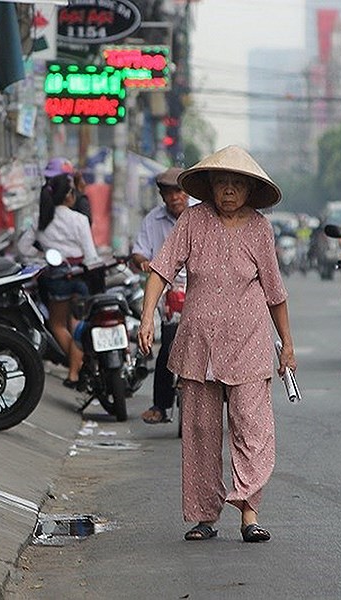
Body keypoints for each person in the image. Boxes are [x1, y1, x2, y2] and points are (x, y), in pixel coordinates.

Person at [137, 145, 296, 543]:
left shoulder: (260, 228)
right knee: (201, 430)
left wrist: (287, 346)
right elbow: (161, 270)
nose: (228, 190)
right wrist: (147, 317)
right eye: (222, 182)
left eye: (237, 184)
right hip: (199, 344)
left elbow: (275, 293)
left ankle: (249, 512)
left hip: (250, 343)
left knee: (250, 428)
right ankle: (204, 516)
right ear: (209, 187)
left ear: (249, 190)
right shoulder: (192, 221)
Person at [131, 166, 193, 424]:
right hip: (168, 289)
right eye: (169, 193)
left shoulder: (201, 214)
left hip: (202, 286)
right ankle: (161, 404)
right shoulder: (153, 221)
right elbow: (140, 252)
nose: (175, 198)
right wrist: (144, 262)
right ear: (163, 196)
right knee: (168, 342)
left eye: (179, 191)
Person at [35, 173, 99, 388]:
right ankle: (77, 368)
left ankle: (75, 371)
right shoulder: (80, 220)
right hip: (80, 278)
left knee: (57, 324)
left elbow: (25, 247)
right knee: (78, 325)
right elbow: (91, 255)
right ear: (70, 196)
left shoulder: (42, 220)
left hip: (56, 279)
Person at [44, 156, 92, 223]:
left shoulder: (79, 201)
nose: (49, 184)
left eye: (53, 181)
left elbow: (85, 227)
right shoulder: (45, 198)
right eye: (47, 179)